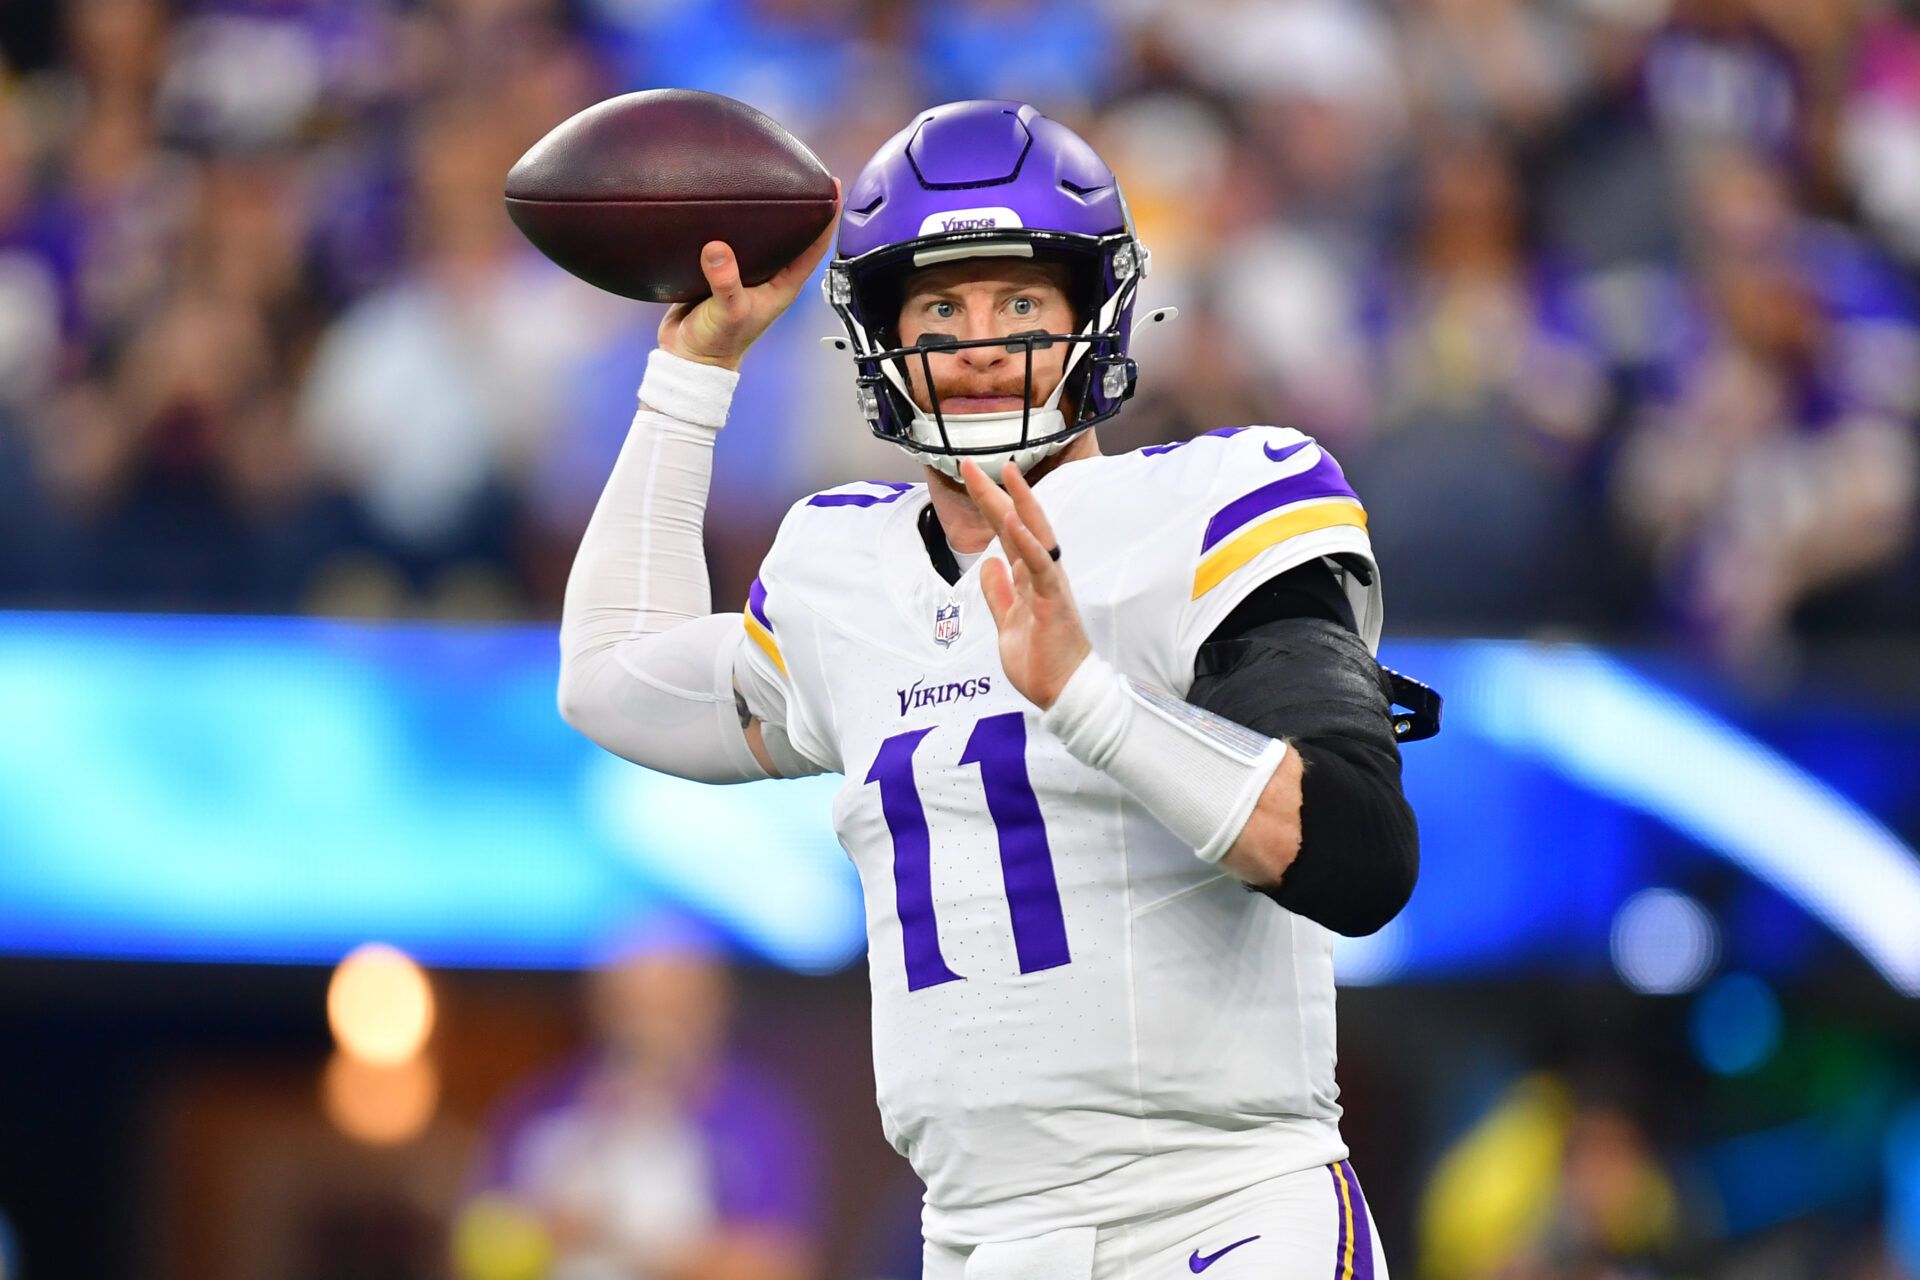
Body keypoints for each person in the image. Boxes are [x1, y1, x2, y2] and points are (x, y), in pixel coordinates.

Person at [559, 100, 1432, 1279]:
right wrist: (691, 376)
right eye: (940, 308)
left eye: (1021, 301)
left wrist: (1088, 701)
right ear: (881, 335)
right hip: (983, 1238)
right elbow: (613, 678)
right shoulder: (839, 566)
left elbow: (1360, 852)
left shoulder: (1210, 502)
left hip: (1222, 1208)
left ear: (1094, 317)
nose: (979, 343)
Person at [453, 925, 821, 1280]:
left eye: (674, 1008)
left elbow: (780, 1265)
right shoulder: (539, 1111)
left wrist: (624, 1237)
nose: (652, 1027)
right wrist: (545, 1231)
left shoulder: (756, 1120)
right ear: (599, 1008)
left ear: (714, 1008)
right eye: (633, 1007)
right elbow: (472, 1248)